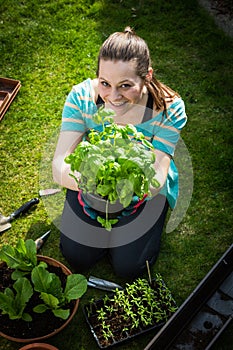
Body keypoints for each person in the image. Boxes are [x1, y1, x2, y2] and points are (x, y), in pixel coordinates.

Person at [52, 27, 187, 279]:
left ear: (147, 76)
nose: (113, 96)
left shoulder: (169, 109)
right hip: (92, 180)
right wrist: (95, 187)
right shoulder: (81, 98)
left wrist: (124, 193)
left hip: (142, 186)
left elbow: (157, 174)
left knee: (130, 268)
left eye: (125, 85)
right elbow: (60, 165)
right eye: (105, 83)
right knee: (77, 256)